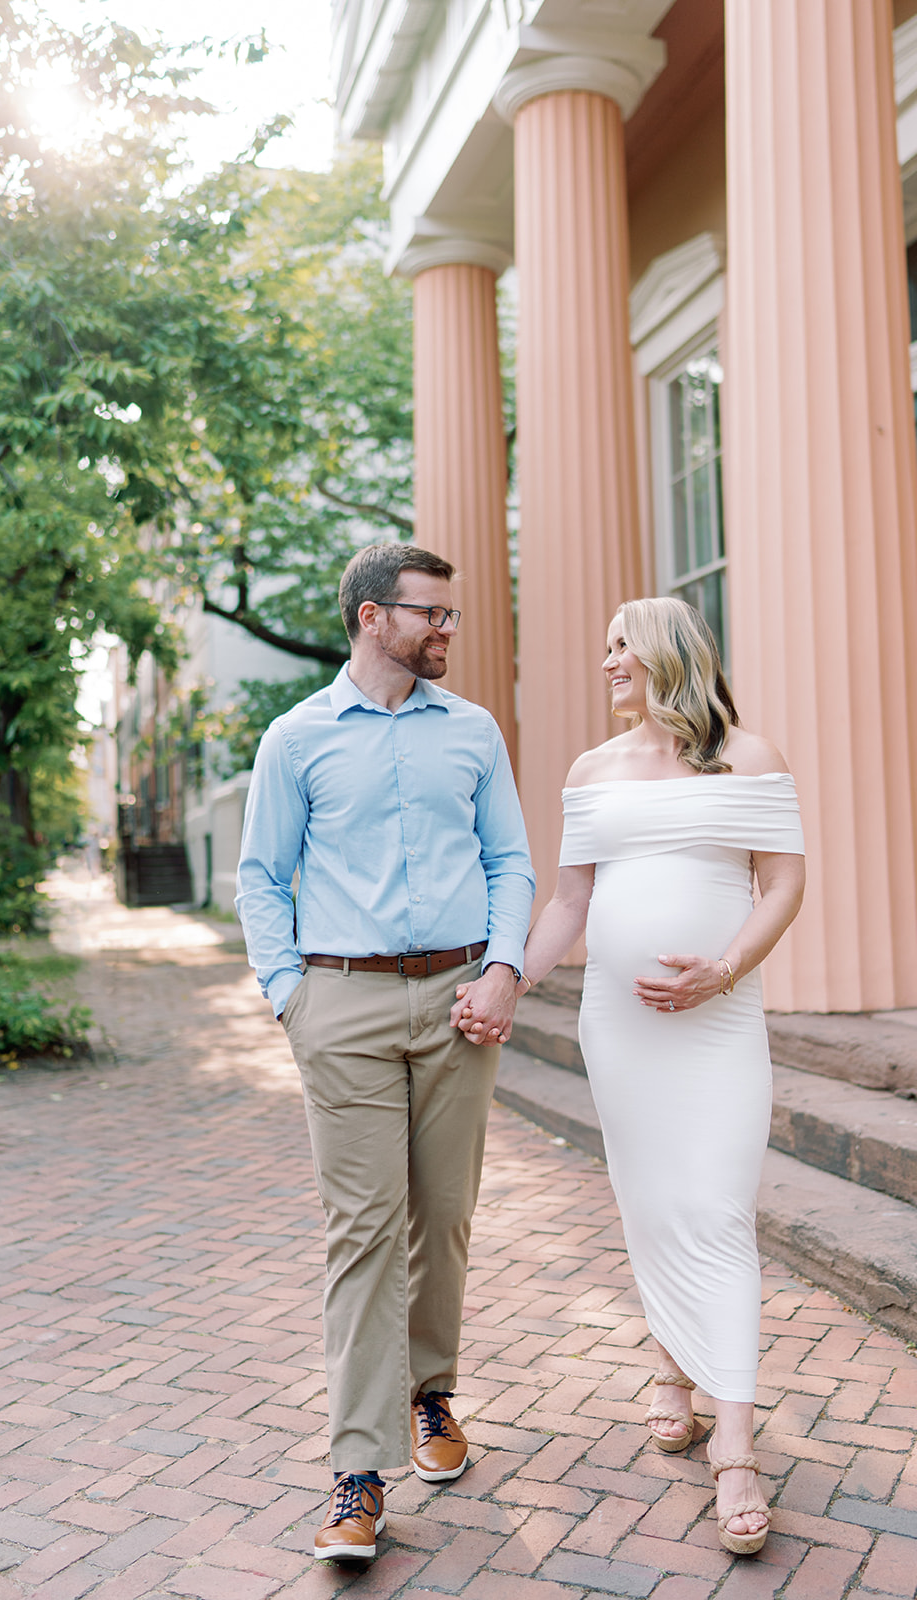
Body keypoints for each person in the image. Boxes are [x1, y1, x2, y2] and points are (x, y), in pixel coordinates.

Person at [481, 596, 804, 1556]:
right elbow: (571, 898)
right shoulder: (592, 770)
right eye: (607, 646)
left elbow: (782, 883)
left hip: (719, 1023)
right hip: (618, 1029)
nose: (608, 660)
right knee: (651, 1204)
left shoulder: (751, 756)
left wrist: (724, 968)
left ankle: (736, 1448)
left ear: (669, 653)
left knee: (717, 1211)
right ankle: (673, 1372)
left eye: (622, 645)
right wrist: (511, 980)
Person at [235, 543, 534, 1565]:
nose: (447, 630)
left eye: (448, 617)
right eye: (431, 615)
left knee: (441, 1218)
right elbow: (260, 875)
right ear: (372, 617)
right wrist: (290, 998)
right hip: (344, 1007)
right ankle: (357, 1473)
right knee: (363, 1231)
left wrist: (504, 969)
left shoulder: (474, 732)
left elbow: (509, 860)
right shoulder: (297, 737)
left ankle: (431, 1393)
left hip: (458, 1001)